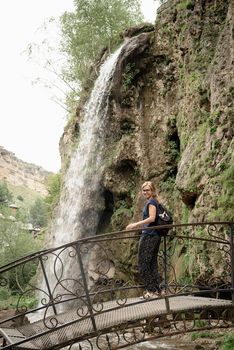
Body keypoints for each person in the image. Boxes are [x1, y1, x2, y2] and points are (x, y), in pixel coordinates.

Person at [126, 181, 162, 298]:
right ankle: (157, 290)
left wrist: (135, 225)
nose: (145, 192)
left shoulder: (151, 202)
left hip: (149, 235)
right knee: (151, 263)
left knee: (143, 263)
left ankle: (151, 291)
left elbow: (152, 218)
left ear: (152, 191)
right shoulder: (153, 201)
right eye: (144, 190)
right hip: (153, 235)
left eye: (148, 190)